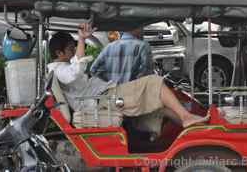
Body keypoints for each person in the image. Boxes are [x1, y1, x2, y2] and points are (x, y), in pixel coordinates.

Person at [47, 23, 209, 128]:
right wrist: (82, 40)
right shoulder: (59, 70)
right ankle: (186, 117)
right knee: (155, 82)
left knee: (161, 104)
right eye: (70, 49)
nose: (74, 52)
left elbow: (93, 70)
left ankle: (191, 125)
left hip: (106, 93)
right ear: (59, 53)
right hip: (103, 99)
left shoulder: (109, 47)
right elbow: (76, 71)